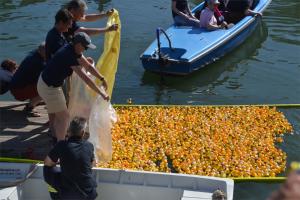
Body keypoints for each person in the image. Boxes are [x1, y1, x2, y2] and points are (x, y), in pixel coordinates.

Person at [37, 32, 109, 142]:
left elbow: (88, 66)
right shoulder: (68, 55)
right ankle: (60, 145)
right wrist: (101, 93)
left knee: (58, 115)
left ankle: (54, 134)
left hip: (48, 84)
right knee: (65, 117)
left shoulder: (73, 49)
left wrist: (102, 78)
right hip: (48, 88)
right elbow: (86, 79)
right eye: (85, 47)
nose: (85, 49)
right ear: (78, 44)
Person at [44, 117, 97, 200]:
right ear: (83, 133)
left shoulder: (61, 145)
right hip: (88, 194)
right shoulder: (89, 145)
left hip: (67, 194)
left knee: (47, 169)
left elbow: (47, 163)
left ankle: (56, 196)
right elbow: (92, 164)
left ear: (68, 132)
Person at [9, 43, 46, 116]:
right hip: (19, 91)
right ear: (41, 52)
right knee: (46, 88)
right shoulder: (38, 63)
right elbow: (40, 80)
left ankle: (34, 101)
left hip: (15, 86)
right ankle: (29, 108)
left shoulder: (34, 53)